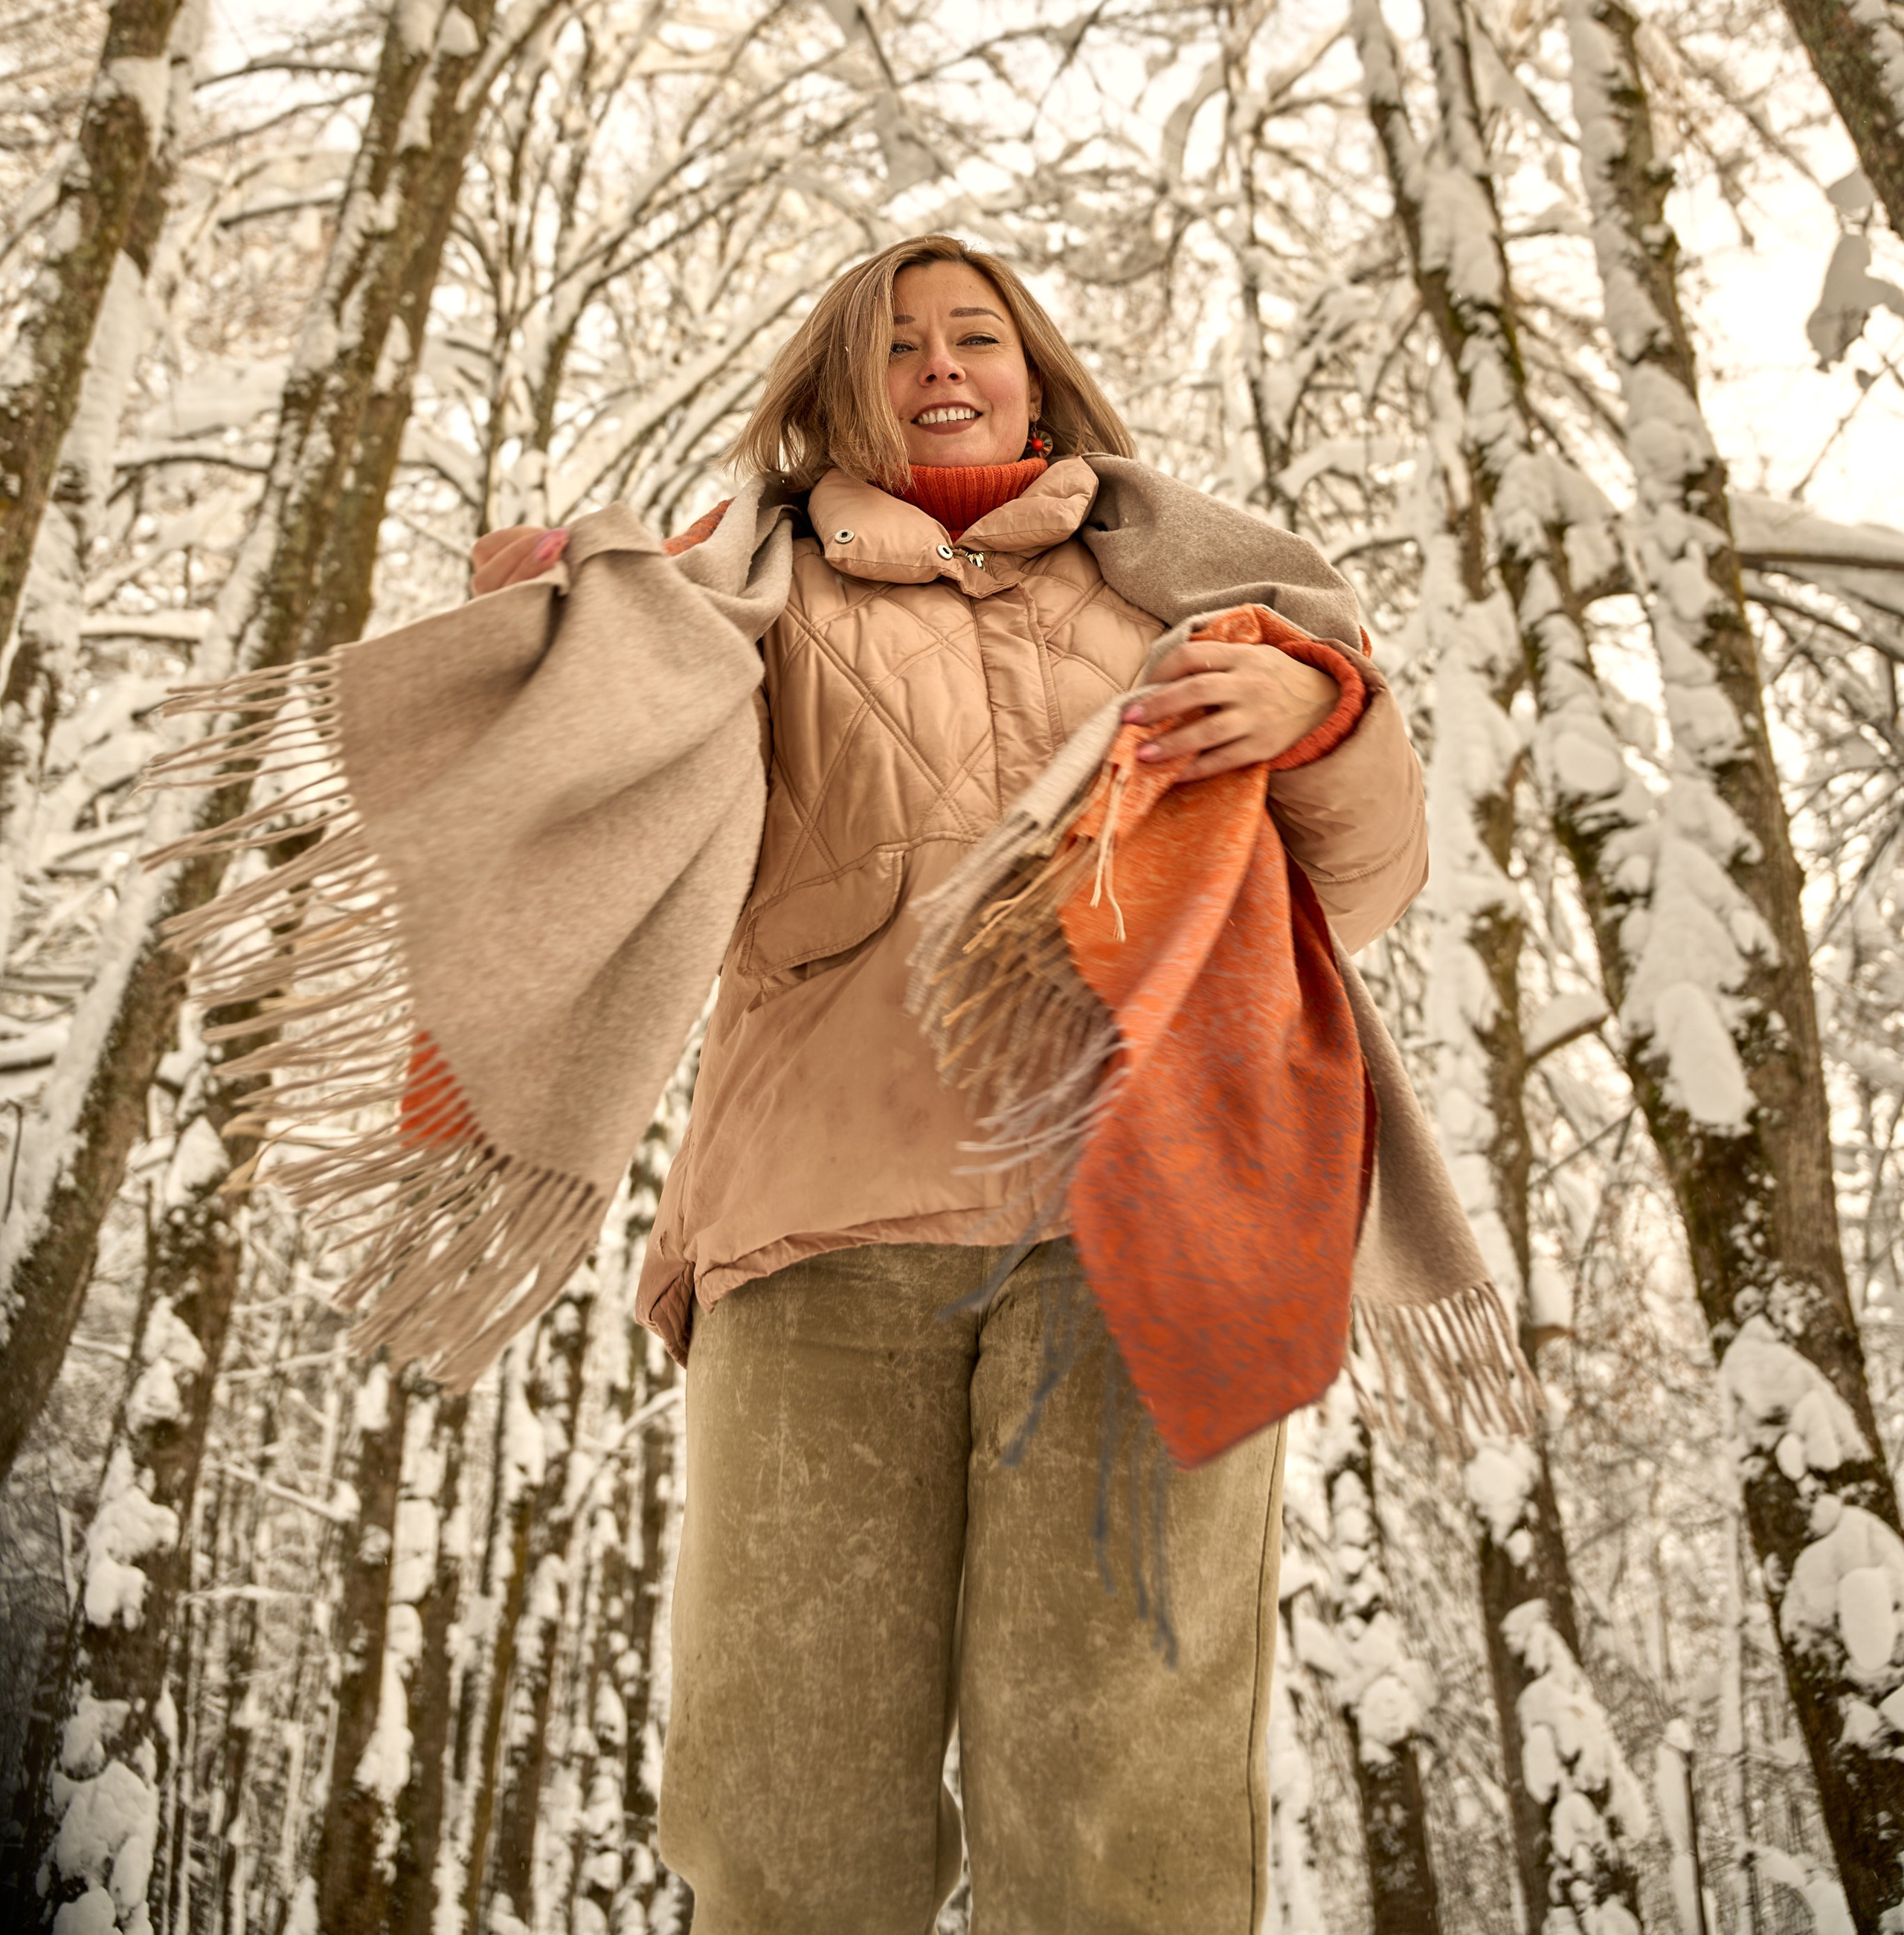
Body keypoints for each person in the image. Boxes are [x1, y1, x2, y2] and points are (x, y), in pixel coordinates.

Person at [469, 234, 1429, 1935]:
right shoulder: (737, 596)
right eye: (894, 342)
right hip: (814, 1238)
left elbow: (1340, 897)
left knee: (1116, 1801)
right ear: (838, 390)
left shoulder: (1179, 601)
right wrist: (552, 644)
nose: (938, 365)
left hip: (1142, 1237)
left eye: (972, 334)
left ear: (1033, 369)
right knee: (788, 1801)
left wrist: (1322, 717)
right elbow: (591, 813)